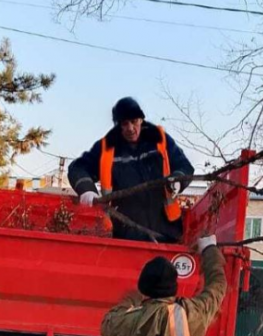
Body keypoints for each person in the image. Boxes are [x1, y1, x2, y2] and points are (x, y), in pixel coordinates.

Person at [69, 96, 195, 243]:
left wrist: (177, 180)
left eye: (134, 122)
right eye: (125, 123)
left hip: (167, 232)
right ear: (118, 125)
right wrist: (86, 189)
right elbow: (77, 168)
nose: (130, 128)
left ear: (141, 120)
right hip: (125, 234)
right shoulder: (107, 147)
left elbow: (184, 166)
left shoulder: (159, 139)